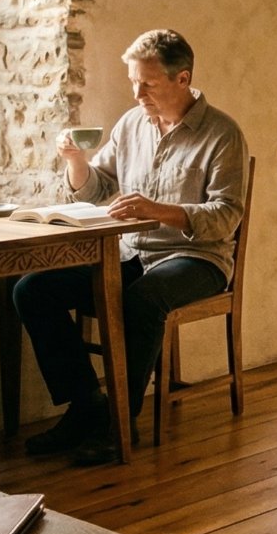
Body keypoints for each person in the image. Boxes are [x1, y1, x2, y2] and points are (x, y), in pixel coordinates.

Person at [14, 29, 248, 465]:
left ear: (183, 79)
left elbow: (225, 216)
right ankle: (86, 405)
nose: (138, 93)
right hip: (129, 254)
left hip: (196, 259)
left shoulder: (223, 134)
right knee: (32, 289)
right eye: (133, 82)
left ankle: (120, 423)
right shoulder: (131, 124)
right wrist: (76, 162)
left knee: (142, 301)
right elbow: (98, 189)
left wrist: (160, 210)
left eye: (148, 84)